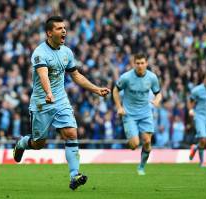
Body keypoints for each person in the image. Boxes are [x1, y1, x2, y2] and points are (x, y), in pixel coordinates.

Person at [12, 16, 110, 190]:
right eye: (59, 28)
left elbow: (76, 75)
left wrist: (96, 89)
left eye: (64, 28)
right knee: (38, 144)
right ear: (49, 33)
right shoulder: (40, 53)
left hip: (60, 100)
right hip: (42, 102)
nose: (64, 31)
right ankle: (21, 144)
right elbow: (43, 75)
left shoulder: (67, 52)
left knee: (71, 133)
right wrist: (48, 93)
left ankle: (74, 175)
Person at [113, 54, 162, 175]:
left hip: (145, 113)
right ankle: (131, 140)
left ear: (146, 64)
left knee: (147, 142)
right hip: (129, 114)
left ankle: (141, 167)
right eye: (137, 63)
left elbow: (158, 93)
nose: (140, 65)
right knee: (134, 145)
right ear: (134, 64)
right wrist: (119, 107)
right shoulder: (126, 77)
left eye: (142, 63)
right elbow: (115, 90)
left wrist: (157, 100)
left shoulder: (152, 77)